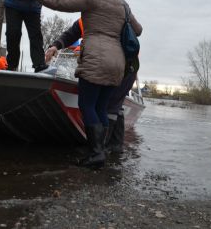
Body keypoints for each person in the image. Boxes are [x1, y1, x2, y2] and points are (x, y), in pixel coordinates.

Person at [31, 0, 142, 168]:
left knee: (87, 105)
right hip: (118, 64)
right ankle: (101, 151)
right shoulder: (123, 4)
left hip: (95, 59)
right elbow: (139, 29)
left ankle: (96, 153)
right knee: (102, 107)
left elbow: (60, 3)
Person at [45, 19, 140, 155]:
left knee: (109, 106)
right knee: (110, 106)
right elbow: (70, 35)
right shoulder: (84, 20)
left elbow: (136, 32)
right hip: (113, 64)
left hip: (124, 66)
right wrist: (55, 45)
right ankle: (111, 146)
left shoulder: (114, 15)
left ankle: (101, 148)